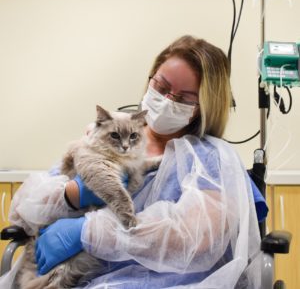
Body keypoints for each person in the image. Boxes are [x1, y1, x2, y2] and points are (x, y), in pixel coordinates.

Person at [6, 35, 267, 288]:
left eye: (184, 98)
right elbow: (22, 212)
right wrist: (69, 195)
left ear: (204, 105)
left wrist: (89, 230)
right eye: (162, 87)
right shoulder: (106, 134)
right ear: (150, 79)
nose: (167, 101)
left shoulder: (210, 158)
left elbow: (195, 238)